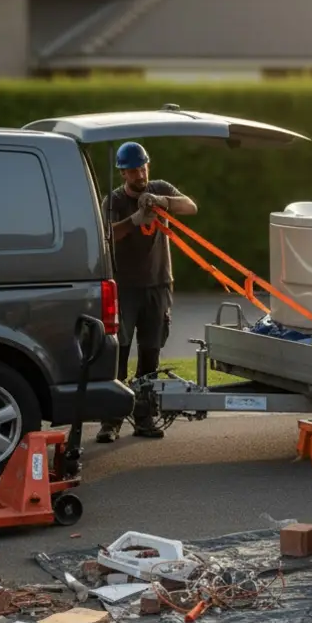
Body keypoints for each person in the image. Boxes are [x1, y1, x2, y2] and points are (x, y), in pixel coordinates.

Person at [96, 141, 198, 443]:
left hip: (158, 285)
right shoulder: (113, 201)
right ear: (123, 173)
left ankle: (144, 417)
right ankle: (111, 421)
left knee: (150, 353)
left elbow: (191, 207)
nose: (140, 175)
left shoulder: (159, 188)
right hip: (125, 288)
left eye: (143, 168)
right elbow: (106, 234)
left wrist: (163, 202)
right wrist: (133, 221)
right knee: (120, 354)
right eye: (133, 171)